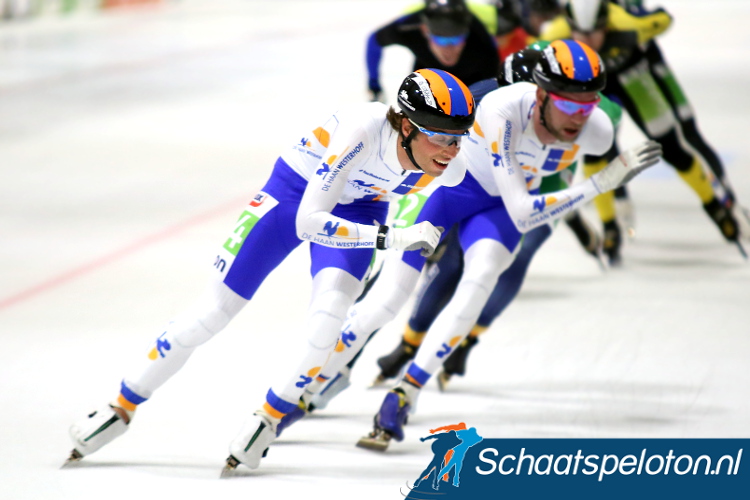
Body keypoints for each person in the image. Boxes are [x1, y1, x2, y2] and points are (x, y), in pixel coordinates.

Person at [64, 68, 476, 473]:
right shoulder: (363, 129)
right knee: (211, 313)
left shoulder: (450, 164)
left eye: (459, 138)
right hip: (293, 194)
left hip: (364, 206)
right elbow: (307, 221)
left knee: (328, 323)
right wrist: (393, 237)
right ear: (404, 125)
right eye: (440, 136)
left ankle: (270, 417)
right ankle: (121, 405)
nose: (450, 150)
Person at [292, 39, 661, 451]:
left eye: (586, 105)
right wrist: (600, 185)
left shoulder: (597, 128)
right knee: (387, 298)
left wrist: (582, 193)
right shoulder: (501, 106)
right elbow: (524, 209)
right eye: (568, 105)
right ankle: (316, 378)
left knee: (483, 275)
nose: (577, 116)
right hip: (452, 188)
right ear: (537, 95)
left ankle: (406, 392)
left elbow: (537, 194)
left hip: (502, 203)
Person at [542, 0, 749, 263]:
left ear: (607, 22)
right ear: (568, 25)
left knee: (672, 146)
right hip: (597, 88)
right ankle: (609, 225)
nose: (588, 40)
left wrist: (640, 31)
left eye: (595, 31)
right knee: (595, 150)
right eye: (580, 34)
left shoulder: (624, 20)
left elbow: (662, 19)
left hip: (635, 78)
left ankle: (715, 207)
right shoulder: (554, 33)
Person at [366, 0, 500, 102]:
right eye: (441, 41)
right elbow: (374, 41)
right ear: (425, 31)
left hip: (473, 79)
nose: (448, 49)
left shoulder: (481, 40)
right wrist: (374, 85)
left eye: (455, 40)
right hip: (427, 74)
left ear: (466, 35)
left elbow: (494, 83)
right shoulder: (408, 29)